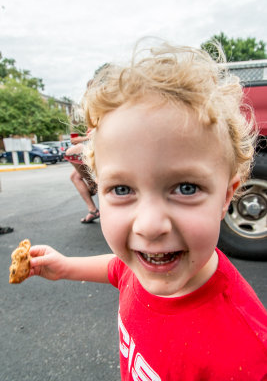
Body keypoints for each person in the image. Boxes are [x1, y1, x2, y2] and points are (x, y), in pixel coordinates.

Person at [29, 41, 267, 380]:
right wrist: (65, 267)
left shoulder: (246, 353)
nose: (150, 226)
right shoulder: (146, 263)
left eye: (186, 188)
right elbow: (117, 270)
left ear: (227, 198)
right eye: (122, 189)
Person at [65, 130, 99, 223]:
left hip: (103, 147)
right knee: (75, 176)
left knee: (73, 150)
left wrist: (83, 139)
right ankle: (93, 210)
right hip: (94, 146)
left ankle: (92, 184)